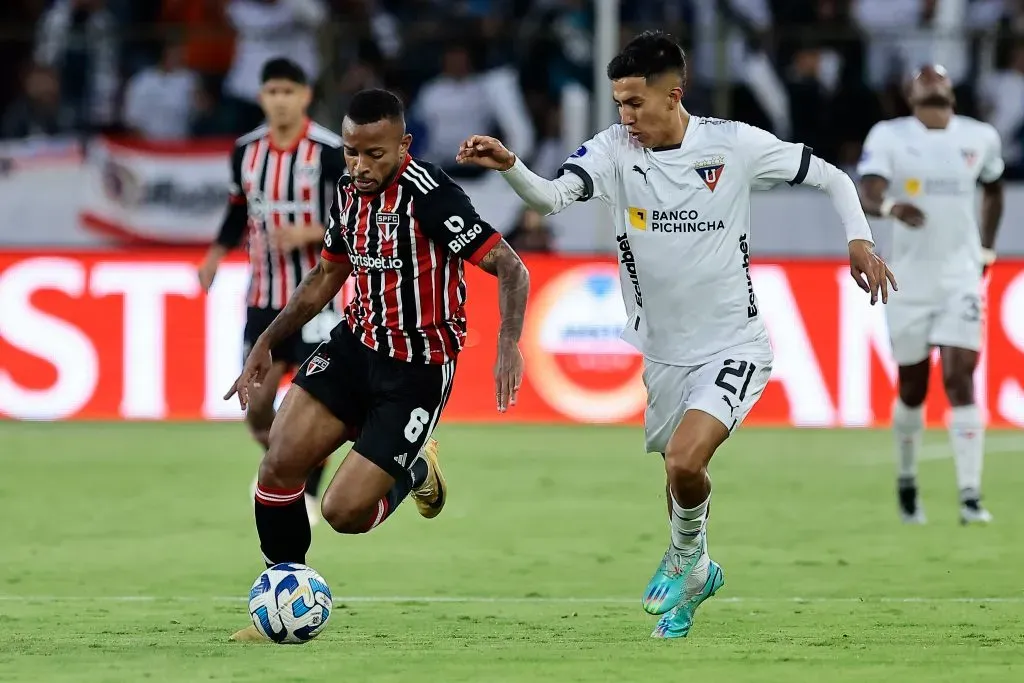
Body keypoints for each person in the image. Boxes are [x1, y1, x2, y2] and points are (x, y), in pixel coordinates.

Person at [456, 31, 895, 639]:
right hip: (662, 353)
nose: (625, 116)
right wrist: (511, 166)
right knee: (678, 476)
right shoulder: (612, 150)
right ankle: (697, 577)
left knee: (688, 460)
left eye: (636, 102)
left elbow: (833, 178)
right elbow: (552, 198)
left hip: (733, 344)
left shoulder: (733, 145)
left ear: (673, 95)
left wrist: (859, 239)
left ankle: (685, 558)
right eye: (619, 103)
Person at [225, 88, 530, 641]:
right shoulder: (348, 192)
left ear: (403, 146)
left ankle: (415, 469)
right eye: (351, 152)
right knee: (277, 468)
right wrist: (266, 341)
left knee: (343, 514)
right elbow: (326, 275)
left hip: (415, 371)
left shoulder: (432, 196)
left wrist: (509, 343)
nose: (361, 166)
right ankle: (281, 596)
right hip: (354, 349)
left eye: (375, 154)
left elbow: (511, 267)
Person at [198, 57, 345, 526]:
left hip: (319, 300)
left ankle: (305, 489)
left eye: (288, 92)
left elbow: (355, 218)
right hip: (263, 298)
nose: (280, 100)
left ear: (305, 96)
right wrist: (215, 255)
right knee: (258, 408)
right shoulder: (246, 152)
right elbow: (237, 209)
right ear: (261, 97)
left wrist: (309, 234)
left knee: (316, 401)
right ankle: (291, 464)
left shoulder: (330, 152)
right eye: (272, 92)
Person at [857, 65, 1004, 526]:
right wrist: (890, 207)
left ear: (952, 92)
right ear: (910, 94)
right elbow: (868, 191)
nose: (932, 83)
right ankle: (907, 483)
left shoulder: (980, 137)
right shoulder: (890, 135)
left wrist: (986, 249)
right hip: (908, 282)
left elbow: (994, 189)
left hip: (960, 278)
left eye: (938, 79)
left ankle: (970, 497)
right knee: (913, 386)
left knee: (960, 378)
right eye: (923, 80)